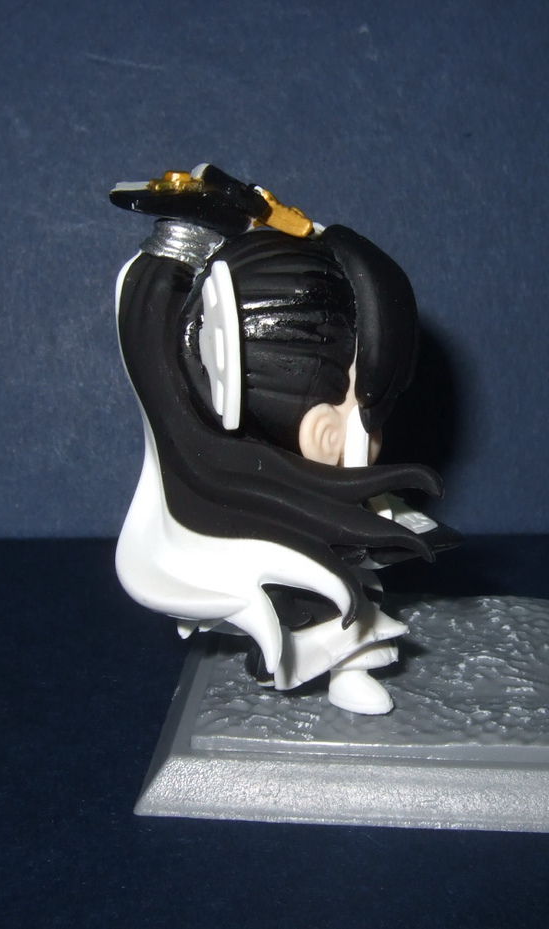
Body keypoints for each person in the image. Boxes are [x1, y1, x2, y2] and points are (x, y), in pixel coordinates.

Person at [112, 165, 457, 713]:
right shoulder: (231, 459)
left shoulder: (288, 471)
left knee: (339, 579)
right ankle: (326, 658)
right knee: (312, 588)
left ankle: (345, 663)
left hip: (304, 513)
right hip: (279, 529)